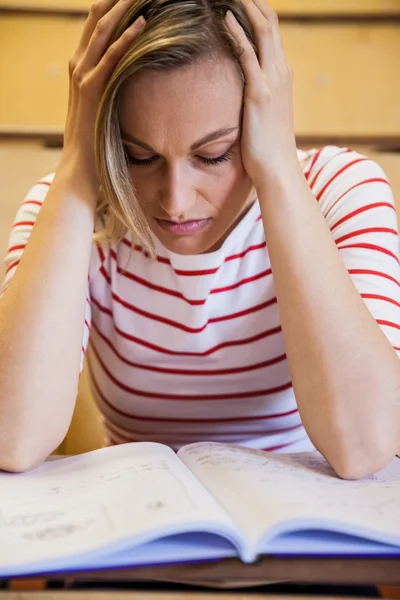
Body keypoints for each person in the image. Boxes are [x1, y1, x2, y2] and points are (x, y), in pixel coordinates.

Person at [1, 0, 399, 478]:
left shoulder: (340, 190)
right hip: (141, 522)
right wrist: (76, 170)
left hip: (300, 533)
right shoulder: (67, 207)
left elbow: (365, 445)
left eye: (214, 155)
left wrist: (278, 175)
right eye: (138, 156)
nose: (175, 202)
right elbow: (11, 439)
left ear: (264, 123)